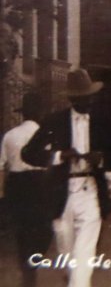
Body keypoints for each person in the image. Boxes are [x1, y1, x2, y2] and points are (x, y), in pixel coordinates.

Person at [22, 68, 111, 287]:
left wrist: (102, 159)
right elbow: (28, 153)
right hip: (61, 195)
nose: (86, 102)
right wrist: (59, 155)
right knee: (69, 256)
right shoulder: (54, 121)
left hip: (91, 193)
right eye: (80, 98)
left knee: (83, 256)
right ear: (70, 98)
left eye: (88, 97)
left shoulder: (101, 122)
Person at [0, 92, 52, 287]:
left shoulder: (10, 135)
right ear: (40, 113)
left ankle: (27, 268)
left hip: (17, 185)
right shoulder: (46, 135)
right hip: (40, 184)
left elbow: (1, 167)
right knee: (43, 228)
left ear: (23, 113)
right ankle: (33, 264)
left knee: (23, 229)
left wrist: (2, 196)